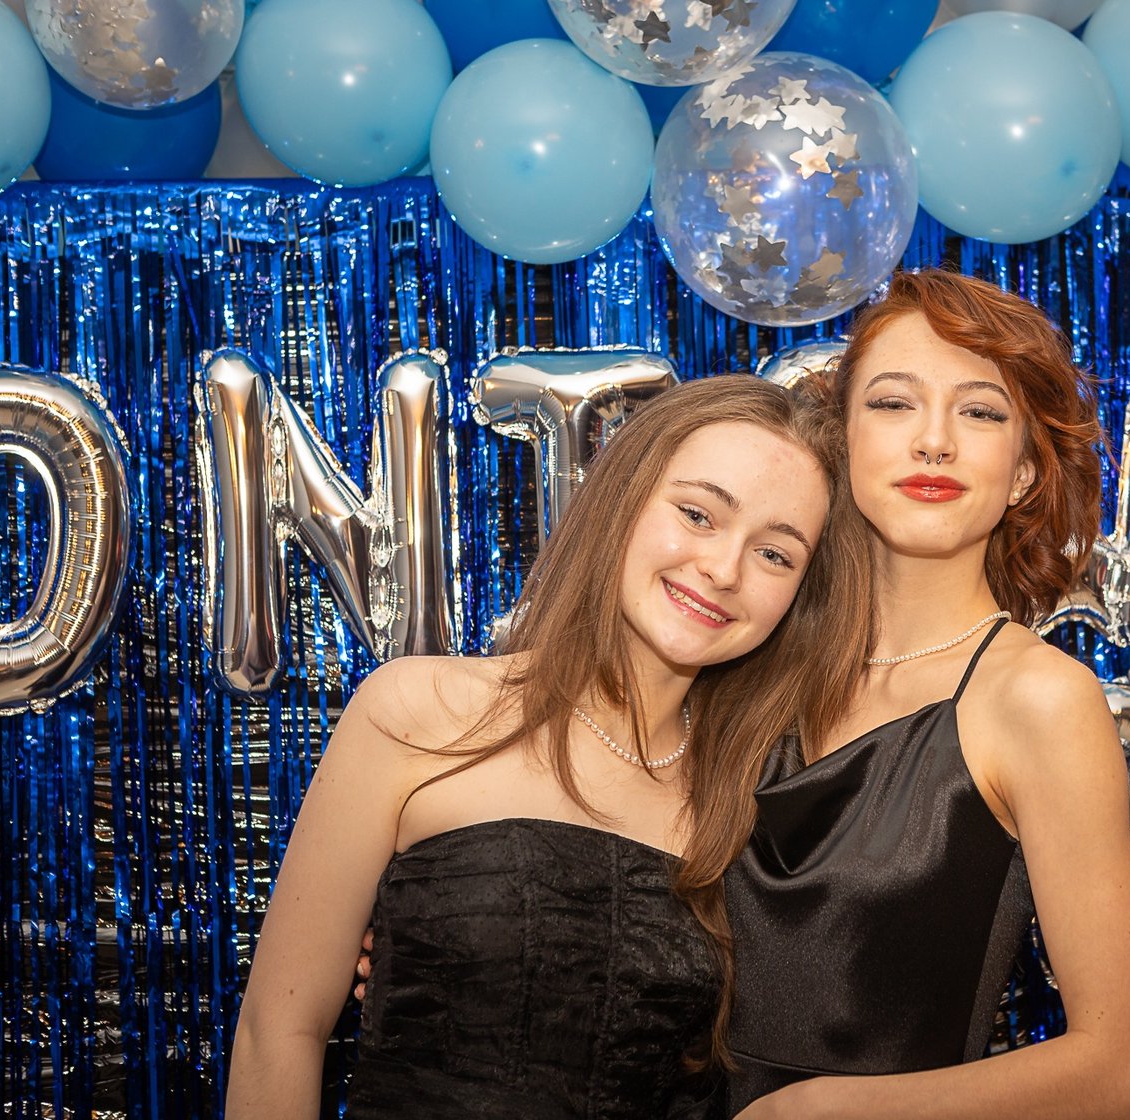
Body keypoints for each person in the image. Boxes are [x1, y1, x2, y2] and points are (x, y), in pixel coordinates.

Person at [225, 375, 873, 1119]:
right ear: (623, 501)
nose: (724, 570)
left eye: (775, 555)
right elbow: (279, 1032)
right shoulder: (418, 713)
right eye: (698, 515)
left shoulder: (763, 806)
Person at [723, 269, 1130, 1119]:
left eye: (980, 413)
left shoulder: (1039, 699)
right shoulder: (748, 658)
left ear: (1024, 472)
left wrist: (815, 1112)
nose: (934, 441)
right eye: (894, 403)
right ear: (842, 439)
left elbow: (1128, 1072)